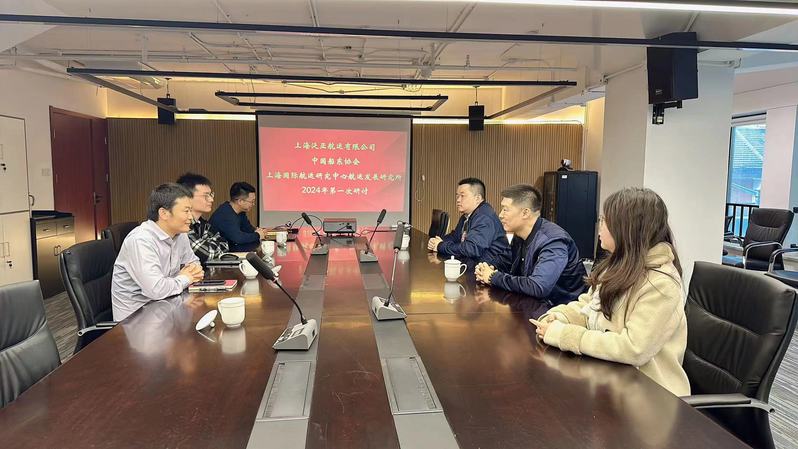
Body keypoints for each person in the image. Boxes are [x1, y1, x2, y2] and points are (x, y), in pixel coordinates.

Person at [531, 187, 689, 396]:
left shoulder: (661, 284)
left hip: (650, 395)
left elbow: (633, 348)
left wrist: (564, 335)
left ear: (627, 228)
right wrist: (559, 317)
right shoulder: (617, 266)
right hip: (611, 381)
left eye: (605, 220)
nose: (600, 226)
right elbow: (588, 306)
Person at [475, 184, 586, 305]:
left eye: (505, 209)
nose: (500, 215)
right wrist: (487, 268)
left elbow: (539, 287)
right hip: (533, 304)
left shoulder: (553, 241)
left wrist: (493, 277)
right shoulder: (520, 235)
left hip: (562, 309)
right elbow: (506, 260)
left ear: (525, 213)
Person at [112, 183, 205, 321]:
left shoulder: (180, 234)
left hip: (167, 307)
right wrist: (185, 278)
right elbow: (156, 290)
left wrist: (186, 275)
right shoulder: (141, 240)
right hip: (135, 320)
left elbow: (195, 265)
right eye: (186, 211)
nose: (191, 217)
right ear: (164, 213)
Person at [427, 178, 510, 268]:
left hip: (490, 269)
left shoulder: (484, 217)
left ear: (477, 198)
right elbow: (456, 237)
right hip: (473, 265)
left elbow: (472, 249)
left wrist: (441, 246)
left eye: (462, 196)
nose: (458, 200)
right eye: (457, 196)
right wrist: (438, 241)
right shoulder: (467, 215)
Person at [176, 172, 229, 263]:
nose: (211, 199)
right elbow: (206, 254)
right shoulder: (180, 223)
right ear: (187, 197)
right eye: (206, 196)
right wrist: (211, 245)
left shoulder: (201, 223)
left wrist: (209, 245)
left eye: (211, 195)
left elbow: (224, 245)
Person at [209, 181, 268, 246]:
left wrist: (258, 231)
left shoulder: (240, 212)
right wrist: (258, 235)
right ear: (240, 201)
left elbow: (249, 230)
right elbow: (238, 238)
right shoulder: (225, 214)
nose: (253, 204)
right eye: (252, 201)